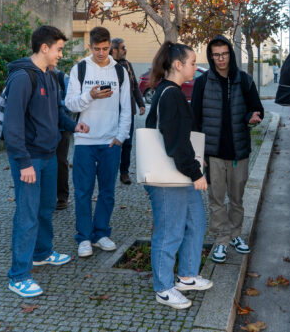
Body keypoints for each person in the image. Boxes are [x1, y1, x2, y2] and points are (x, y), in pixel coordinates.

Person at [4, 25, 89, 298]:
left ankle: (42, 253)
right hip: (28, 159)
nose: (60, 54)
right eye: (59, 49)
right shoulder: (21, 78)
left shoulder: (51, 76)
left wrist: (73, 126)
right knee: (27, 215)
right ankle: (18, 275)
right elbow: (12, 126)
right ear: (44, 48)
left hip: (50, 155)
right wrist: (24, 162)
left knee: (46, 208)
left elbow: (56, 113)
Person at [145, 41, 212, 309]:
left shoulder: (172, 91)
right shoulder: (170, 93)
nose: (196, 68)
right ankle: (163, 287)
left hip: (179, 173)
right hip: (168, 176)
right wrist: (196, 172)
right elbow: (175, 142)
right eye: (193, 63)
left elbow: (182, 137)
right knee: (169, 231)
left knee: (196, 222)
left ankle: (186, 275)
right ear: (178, 65)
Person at [191, 35, 264, 264]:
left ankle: (235, 235)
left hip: (238, 152)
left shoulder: (244, 80)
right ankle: (221, 240)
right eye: (216, 55)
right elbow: (195, 121)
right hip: (213, 154)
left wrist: (251, 117)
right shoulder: (202, 83)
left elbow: (257, 109)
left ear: (230, 55)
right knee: (216, 199)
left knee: (237, 198)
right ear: (210, 57)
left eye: (224, 54)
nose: (220, 59)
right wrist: (197, 155)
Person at [65, 27, 131, 258]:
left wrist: (121, 137)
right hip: (84, 141)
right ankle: (83, 237)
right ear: (90, 46)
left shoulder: (119, 71)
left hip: (110, 142)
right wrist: (90, 95)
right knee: (83, 192)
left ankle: (101, 233)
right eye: (97, 49)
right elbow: (70, 104)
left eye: (105, 49)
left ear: (110, 46)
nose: (101, 53)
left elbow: (126, 107)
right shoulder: (80, 69)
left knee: (107, 191)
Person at [110, 38, 146, 185]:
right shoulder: (107, 66)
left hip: (128, 111)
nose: (126, 50)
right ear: (114, 50)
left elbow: (135, 86)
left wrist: (141, 104)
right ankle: (110, 171)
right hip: (111, 112)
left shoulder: (127, 65)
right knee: (112, 142)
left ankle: (124, 172)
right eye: (123, 47)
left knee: (127, 143)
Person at [54, 68, 72, 210]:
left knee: (60, 161)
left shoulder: (62, 77)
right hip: (40, 128)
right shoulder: (33, 74)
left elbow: (71, 101)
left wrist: (53, 103)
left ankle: (62, 196)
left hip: (62, 127)